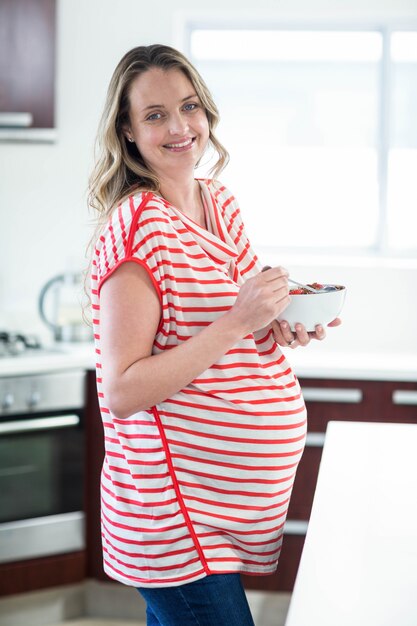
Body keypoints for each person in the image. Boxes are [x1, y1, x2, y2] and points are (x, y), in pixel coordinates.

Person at [87, 43, 341, 626]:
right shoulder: (135, 228)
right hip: (176, 519)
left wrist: (280, 325)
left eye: (190, 107)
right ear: (126, 130)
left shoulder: (218, 202)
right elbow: (123, 390)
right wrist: (239, 323)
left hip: (216, 509)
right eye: (154, 115)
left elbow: (235, 321)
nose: (180, 127)